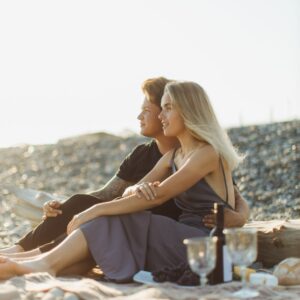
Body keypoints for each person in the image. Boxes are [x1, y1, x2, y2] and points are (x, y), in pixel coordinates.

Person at [0, 81, 246, 281]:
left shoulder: (208, 153)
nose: (162, 115)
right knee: (107, 220)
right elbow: (131, 193)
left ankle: (41, 264)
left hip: (202, 245)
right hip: (178, 238)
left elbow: (159, 195)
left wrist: (93, 211)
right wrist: (138, 188)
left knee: (111, 218)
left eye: (168, 108)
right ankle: (38, 264)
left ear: (188, 110)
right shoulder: (174, 155)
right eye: (162, 108)